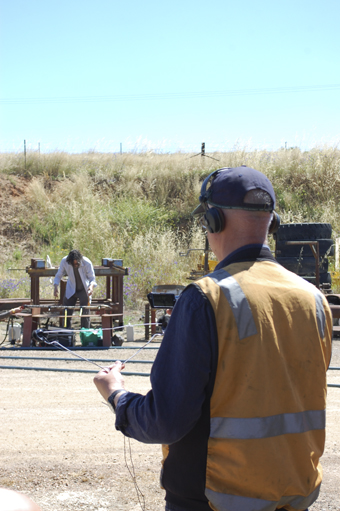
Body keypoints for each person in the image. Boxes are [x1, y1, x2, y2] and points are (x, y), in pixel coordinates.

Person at [93, 166, 332, 511]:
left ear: (213, 221)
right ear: (272, 222)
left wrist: (117, 396)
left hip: (215, 499)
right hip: (295, 495)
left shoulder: (208, 297)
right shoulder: (313, 299)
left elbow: (166, 420)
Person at [54, 249, 97, 329]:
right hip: (71, 288)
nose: (75, 265)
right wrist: (55, 286)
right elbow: (58, 275)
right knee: (66, 311)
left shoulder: (87, 262)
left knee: (85, 311)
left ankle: (85, 332)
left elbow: (92, 279)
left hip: (84, 289)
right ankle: (66, 333)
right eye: (73, 264)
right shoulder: (64, 261)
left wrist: (91, 287)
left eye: (77, 263)